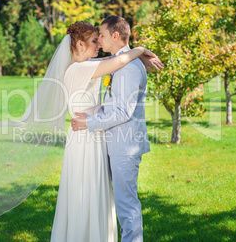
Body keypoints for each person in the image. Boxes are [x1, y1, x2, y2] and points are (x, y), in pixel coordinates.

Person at [51, 21, 163, 242]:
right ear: (80, 45)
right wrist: (139, 50)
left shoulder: (90, 64)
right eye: (95, 40)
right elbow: (117, 60)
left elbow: (116, 62)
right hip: (86, 138)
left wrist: (134, 53)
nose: (99, 44)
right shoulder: (81, 68)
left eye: (100, 37)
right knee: (87, 194)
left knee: (106, 197)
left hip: (97, 135)